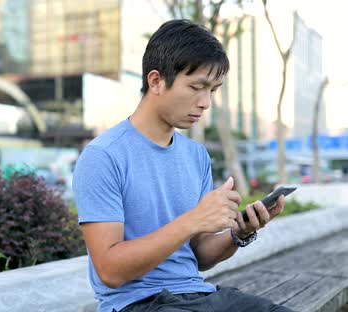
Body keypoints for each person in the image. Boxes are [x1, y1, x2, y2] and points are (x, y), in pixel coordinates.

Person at [72, 20, 293, 312]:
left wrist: (239, 233)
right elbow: (111, 272)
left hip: (200, 296)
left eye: (212, 90)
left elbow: (199, 254)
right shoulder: (103, 156)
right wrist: (193, 220)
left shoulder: (196, 156)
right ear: (156, 81)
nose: (206, 103)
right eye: (196, 87)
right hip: (138, 304)